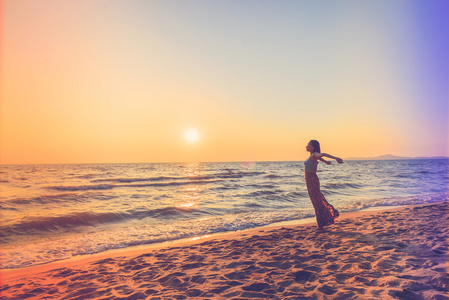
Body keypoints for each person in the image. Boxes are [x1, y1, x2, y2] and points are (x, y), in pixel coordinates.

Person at [304, 140, 343, 229]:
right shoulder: (312, 156)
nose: (306, 146)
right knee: (317, 200)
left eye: (308, 145)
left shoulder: (314, 155)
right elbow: (320, 157)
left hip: (312, 180)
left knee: (316, 201)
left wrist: (335, 158)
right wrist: (325, 162)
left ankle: (322, 222)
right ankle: (323, 221)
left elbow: (323, 154)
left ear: (312, 147)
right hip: (310, 180)